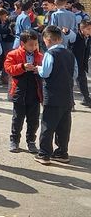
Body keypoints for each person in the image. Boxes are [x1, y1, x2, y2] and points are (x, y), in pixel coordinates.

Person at [35, 25, 77, 165]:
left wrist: (38, 68)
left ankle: (44, 154)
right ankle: (62, 152)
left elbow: (46, 73)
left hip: (52, 95)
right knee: (64, 126)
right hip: (67, 96)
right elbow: (75, 73)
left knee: (48, 125)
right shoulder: (69, 54)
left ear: (47, 40)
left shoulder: (49, 54)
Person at [4, 30, 43, 153]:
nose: (34, 47)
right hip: (19, 90)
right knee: (18, 118)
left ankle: (31, 140)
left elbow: (47, 70)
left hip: (34, 91)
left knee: (34, 119)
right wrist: (22, 67)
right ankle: (14, 140)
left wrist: (39, 70)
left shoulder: (40, 56)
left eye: (36, 44)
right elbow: (8, 68)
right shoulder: (13, 54)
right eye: (31, 44)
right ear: (23, 43)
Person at [72, 20, 91, 107]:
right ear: (82, 29)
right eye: (88, 29)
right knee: (75, 82)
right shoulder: (76, 37)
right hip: (75, 63)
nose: (90, 31)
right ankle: (72, 102)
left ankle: (86, 99)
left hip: (82, 63)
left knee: (82, 81)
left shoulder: (88, 37)